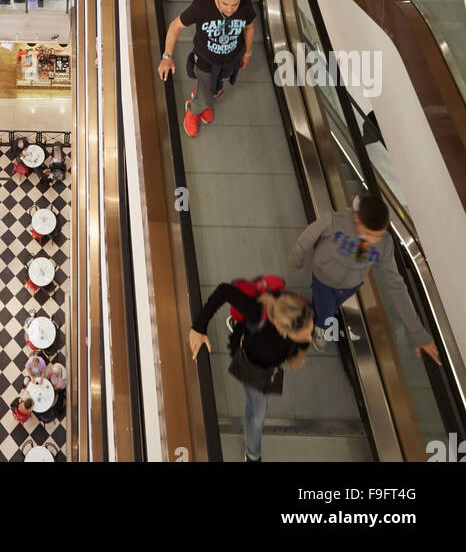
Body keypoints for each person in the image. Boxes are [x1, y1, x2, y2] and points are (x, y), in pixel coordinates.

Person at [289, 193, 441, 365]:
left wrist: (417, 331)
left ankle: (317, 311)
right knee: (327, 313)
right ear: (356, 219)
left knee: (328, 306)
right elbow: (309, 235)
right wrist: (296, 258)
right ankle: (322, 328)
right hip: (323, 278)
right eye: (368, 234)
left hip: (349, 286)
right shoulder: (335, 221)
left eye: (378, 235)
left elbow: (396, 285)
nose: (372, 241)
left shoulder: (385, 243)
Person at [189, 286, 312, 462]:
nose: (309, 337)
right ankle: (253, 455)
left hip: (258, 341)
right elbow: (224, 291)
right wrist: (199, 327)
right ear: (281, 327)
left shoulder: (299, 314)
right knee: (257, 413)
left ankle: (240, 324)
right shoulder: (265, 345)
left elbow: (304, 334)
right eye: (304, 334)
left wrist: (299, 350)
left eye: (309, 328)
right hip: (255, 367)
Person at [158, 0, 255, 138]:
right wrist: (167, 56)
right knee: (205, 96)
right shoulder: (200, 7)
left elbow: (249, 28)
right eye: (225, 4)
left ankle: (204, 95)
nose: (230, 10)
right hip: (206, 60)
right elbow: (175, 27)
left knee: (218, 87)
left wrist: (247, 53)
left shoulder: (245, 6)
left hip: (231, 60)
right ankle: (193, 109)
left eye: (234, 4)